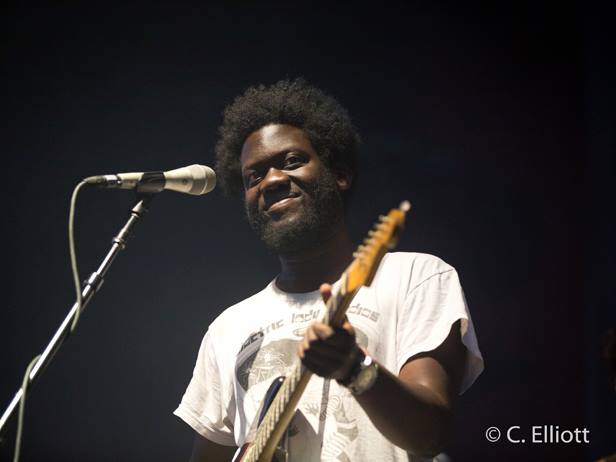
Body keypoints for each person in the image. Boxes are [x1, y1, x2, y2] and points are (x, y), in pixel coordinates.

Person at [174, 78, 484, 461]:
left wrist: (355, 368)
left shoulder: (416, 277)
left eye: (291, 161)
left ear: (340, 174)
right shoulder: (228, 329)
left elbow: (429, 435)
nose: (272, 180)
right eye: (254, 177)